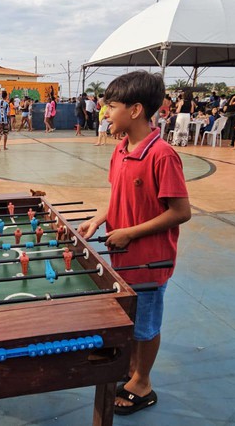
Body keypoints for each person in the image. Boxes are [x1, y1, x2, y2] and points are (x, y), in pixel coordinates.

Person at [78, 71, 190, 416]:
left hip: (149, 261)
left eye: (112, 106)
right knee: (128, 316)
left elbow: (181, 212)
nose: (105, 112)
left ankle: (142, 382)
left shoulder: (162, 155)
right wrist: (99, 218)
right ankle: (129, 367)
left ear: (136, 109)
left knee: (145, 326)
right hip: (123, 256)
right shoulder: (121, 149)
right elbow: (118, 196)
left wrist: (131, 232)